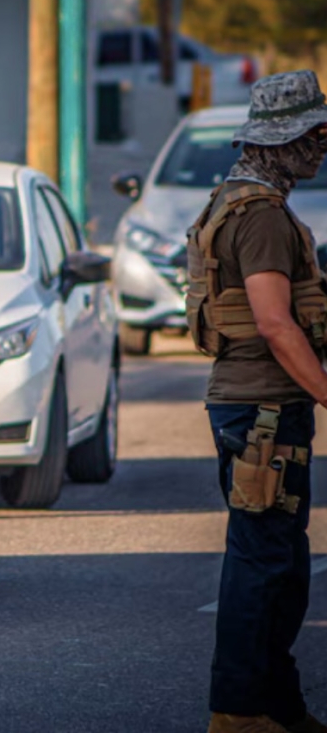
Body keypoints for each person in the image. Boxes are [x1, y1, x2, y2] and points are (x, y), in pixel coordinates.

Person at [186, 70, 327, 733]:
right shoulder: (262, 216)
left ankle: (273, 705)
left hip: (254, 408)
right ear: (284, 139)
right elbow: (275, 323)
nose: (322, 146)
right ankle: (241, 713)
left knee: (280, 562)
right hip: (264, 411)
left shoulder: (236, 198)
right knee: (264, 563)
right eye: (314, 133)